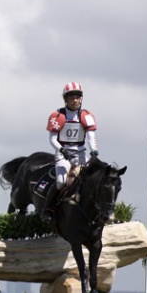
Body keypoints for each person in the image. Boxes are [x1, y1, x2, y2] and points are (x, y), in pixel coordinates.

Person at [41, 82, 99, 222]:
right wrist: (62, 150)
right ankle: (48, 208)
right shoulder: (57, 116)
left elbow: (91, 137)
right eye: (72, 97)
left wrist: (94, 151)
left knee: (89, 181)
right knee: (61, 181)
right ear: (65, 99)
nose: (75, 100)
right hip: (63, 152)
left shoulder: (87, 115)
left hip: (80, 152)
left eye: (78, 97)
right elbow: (52, 139)